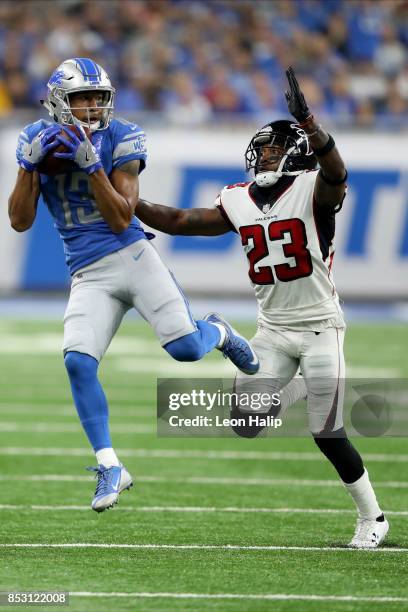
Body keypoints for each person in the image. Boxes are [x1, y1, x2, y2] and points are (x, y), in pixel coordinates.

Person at [135, 67, 388, 549]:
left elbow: (338, 173)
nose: (264, 156)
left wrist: (311, 124)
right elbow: (180, 220)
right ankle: (302, 390)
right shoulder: (238, 199)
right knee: (246, 422)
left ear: (293, 152)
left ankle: (372, 517)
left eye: (274, 149)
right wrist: (129, 201)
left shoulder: (313, 187)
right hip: (272, 328)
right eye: (263, 150)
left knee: (327, 433)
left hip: (319, 327)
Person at [8, 57, 260, 513]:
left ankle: (218, 331)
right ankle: (110, 465)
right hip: (87, 271)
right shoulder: (33, 138)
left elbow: (124, 214)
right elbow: (19, 221)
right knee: (77, 363)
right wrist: (29, 168)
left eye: (97, 98)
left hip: (133, 256)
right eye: (82, 98)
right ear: (60, 102)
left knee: (185, 349)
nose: (91, 107)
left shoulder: (122, 134)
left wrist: (92, 168)